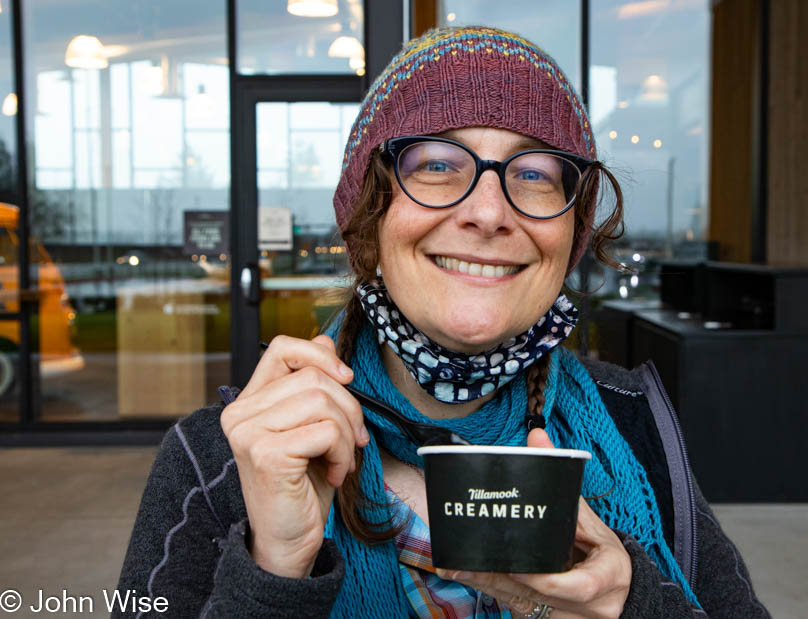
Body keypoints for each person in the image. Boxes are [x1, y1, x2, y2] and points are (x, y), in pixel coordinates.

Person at [114, 26, 770, 619]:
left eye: (536, 173)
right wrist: (275, 567)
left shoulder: (639, 428)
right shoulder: (230, 460)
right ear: (369, 218)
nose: (488, 212)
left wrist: (633, 605)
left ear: (571, 231)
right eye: (436, 164)